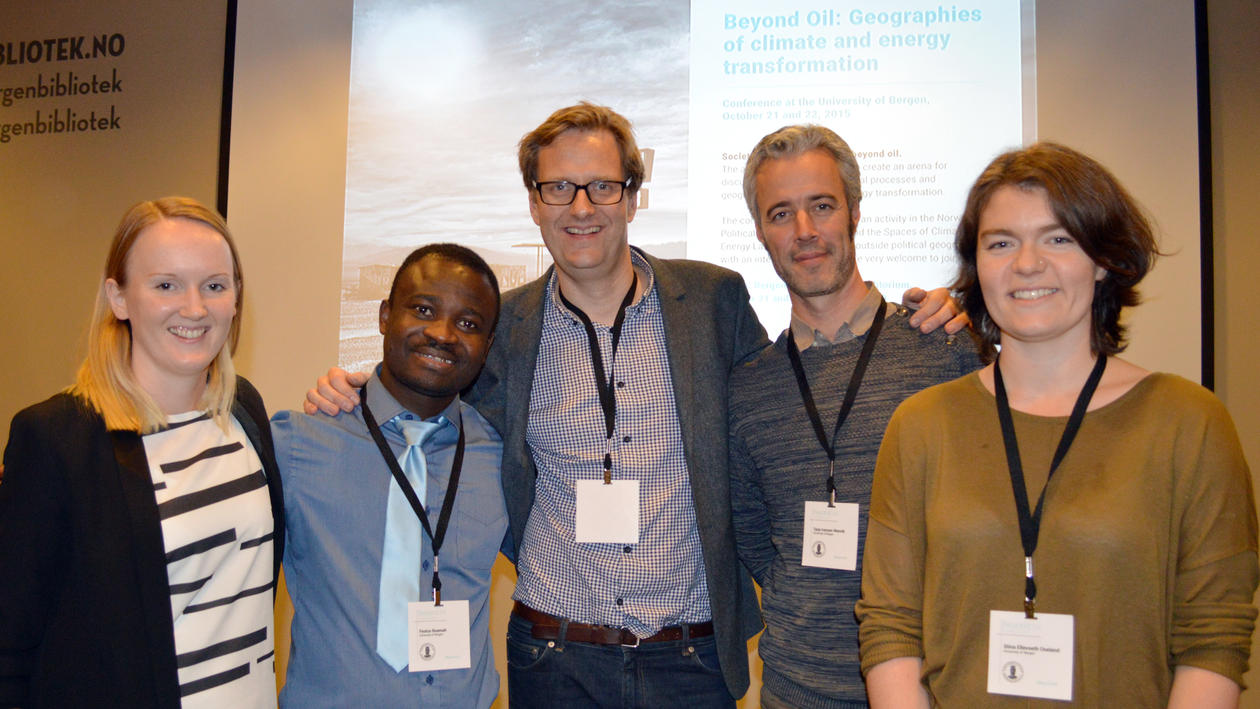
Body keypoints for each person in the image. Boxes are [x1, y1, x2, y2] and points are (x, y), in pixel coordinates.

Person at [306, 103, 960, 707]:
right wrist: (360, 385)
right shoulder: (506, 327)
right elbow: (433, 392)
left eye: (603, 185)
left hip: (690, 656)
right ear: (534, 204)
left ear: (634, 196)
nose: (581, 205)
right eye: (558, 186)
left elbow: (784, 395)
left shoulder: (711, 301)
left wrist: (945, 311)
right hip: (553, 651)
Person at [857, 142, 1258, 707]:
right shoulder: (922, 425)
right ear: (977, 266)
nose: (1026, 264)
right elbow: (891, 626)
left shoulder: (1188, 423)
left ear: (1101, 259)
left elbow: (1212, 640)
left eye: (1058, 238)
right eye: (1001, 243)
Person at [727, 124, 978, 709]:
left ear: (856, 212)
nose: (806, 232)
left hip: (932, 689)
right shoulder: (751, 385)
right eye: (782, 214)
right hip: (795, 690)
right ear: (761, 232)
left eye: (822, 206)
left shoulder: (942, 347)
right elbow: (755, 539)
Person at [0, 197, 284, 708]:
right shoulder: (57, 439)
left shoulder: (244, 411)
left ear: (236, 298)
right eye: (166, 285)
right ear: (119, 297)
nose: (194, 308)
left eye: (214, 286)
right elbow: (10, 645)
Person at [272, 244, 506, 708]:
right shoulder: (295, 445)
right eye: (423, 309)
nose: (443, 334)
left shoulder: (500, 457)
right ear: (384, 316)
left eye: (468, 323)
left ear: (488, 347)